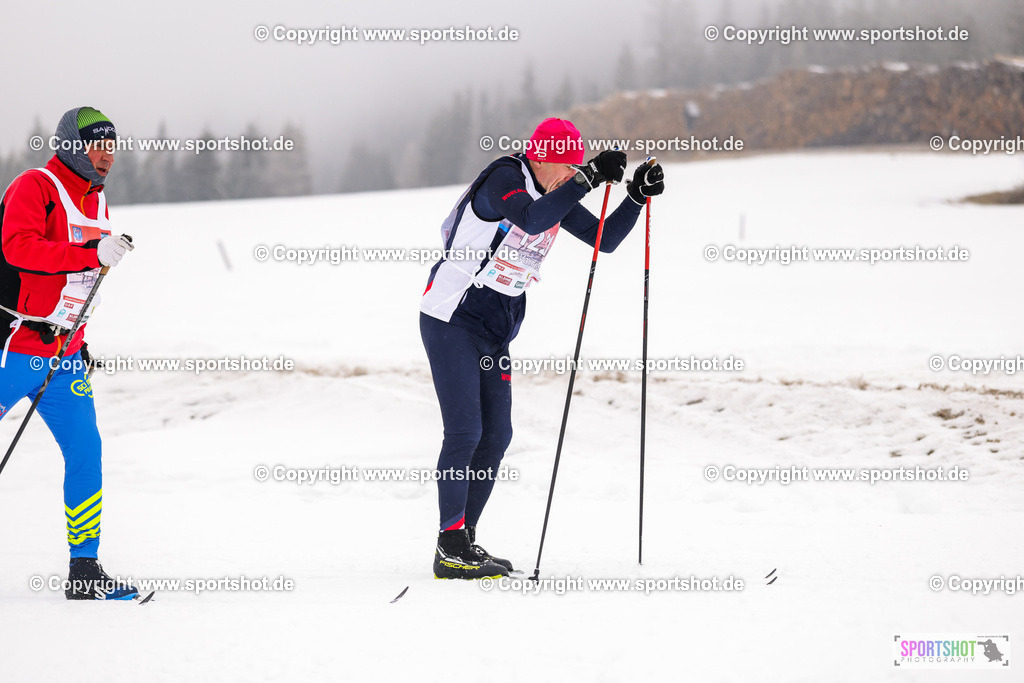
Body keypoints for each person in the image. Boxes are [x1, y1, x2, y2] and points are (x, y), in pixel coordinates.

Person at [420, 118, 665, 579]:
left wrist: (635, 197)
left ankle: (463, 541)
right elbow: (530, 218)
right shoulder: (505, 179)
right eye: (568, 165)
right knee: (465, 432)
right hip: (449, 319)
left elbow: (604, 240)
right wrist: (589, 178)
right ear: (541, 156)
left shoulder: (557, 191)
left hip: (494, 329)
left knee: (498, 434)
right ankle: (449, 544)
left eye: (577, 167)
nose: (572, 174)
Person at [0, 107, 136, 600]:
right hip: (13, 348)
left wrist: (80, 338)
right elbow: (18, 248)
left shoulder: (96, 200)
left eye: (112, 146)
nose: (107, 156)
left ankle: (85, 570)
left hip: (63, 355)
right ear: (73, 147)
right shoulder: (33, 186)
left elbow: (81, 280)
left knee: (86, 450)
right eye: (98, 145)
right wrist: (91, 253)